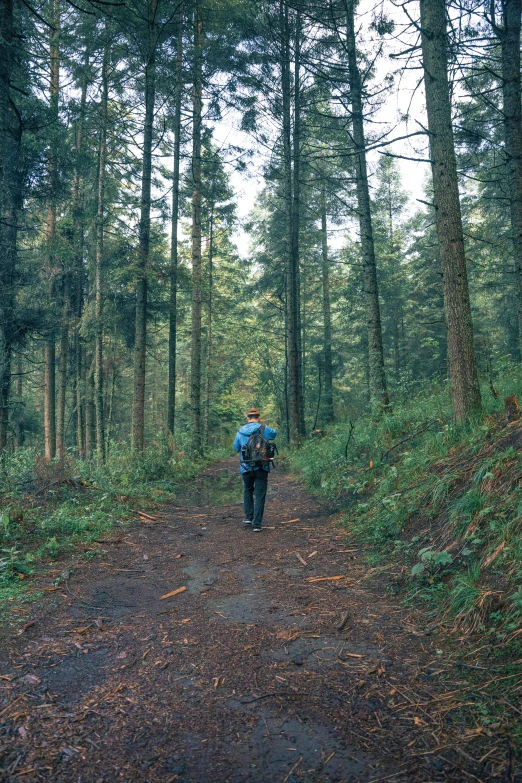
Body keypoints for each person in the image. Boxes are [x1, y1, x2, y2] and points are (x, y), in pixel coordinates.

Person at [233, 408, 277, 531]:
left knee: (248, 490)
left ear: (248, 418)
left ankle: (248, 517)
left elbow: (236, 447)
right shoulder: (264, 429)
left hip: (245, 466)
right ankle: (257, 524)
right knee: (260, 494)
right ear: (258, 417)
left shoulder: (240, 431)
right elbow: (274, 434)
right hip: (262, 466)